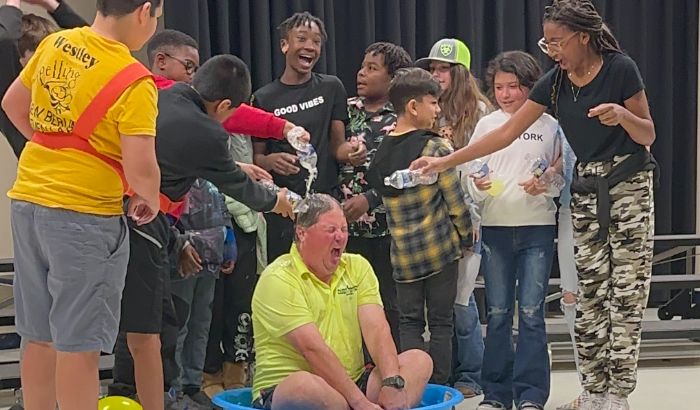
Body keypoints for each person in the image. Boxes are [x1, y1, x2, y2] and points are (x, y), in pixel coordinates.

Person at [412, 1, 656, 409]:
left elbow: (648, 134)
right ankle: (595, 391)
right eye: (547, 42)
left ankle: (617, 394)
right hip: (585, 189)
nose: (551, 50)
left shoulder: (620, 69)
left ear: (583, 36)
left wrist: (621, 115)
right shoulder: (555, 82)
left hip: (628, 185)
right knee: (591, 295)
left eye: (558, 41)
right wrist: (443, 160)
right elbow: (505, 133)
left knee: (625, 295)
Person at [1, 1, 164, 408]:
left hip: (28, 201)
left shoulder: (56, 44)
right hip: (84, 214)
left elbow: (13, 105)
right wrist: (149, 199)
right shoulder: (134, 80)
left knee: (38, 335)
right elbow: (142, 167)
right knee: (79, 343)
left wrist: (54, 148)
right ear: (145, 11)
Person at [118, 54, 294, 410]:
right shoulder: (207, 131)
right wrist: (278, 202)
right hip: (143, 218)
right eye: (231, 113)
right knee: (151, 325)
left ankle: (149, 393)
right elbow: (238, 187)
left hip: (134, 214)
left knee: (150, 320)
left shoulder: (165, 95)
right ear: (224, 104)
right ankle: (156, 400)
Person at [251, 193, 432, 410]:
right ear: (302, 233)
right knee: (303, 386)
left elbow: (377, 331)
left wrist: (392, 383)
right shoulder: (278, 277)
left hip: (353, 383)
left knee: (419, 361)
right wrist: (359, 403)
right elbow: (312, 349)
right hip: (290, 387)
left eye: (344, 229)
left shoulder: (357, 266)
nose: (340, 237)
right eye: (331, 230)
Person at [465, 51, 562, 410]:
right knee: (500, 312)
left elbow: (560, 176)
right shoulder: (487, 126)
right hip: (496, 229)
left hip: (537, 228)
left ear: (531, 87)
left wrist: (546, 184)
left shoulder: (549, 126)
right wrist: (479, 185)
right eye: (499, 87)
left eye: (514, 87)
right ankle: (496, 393)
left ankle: (532, 394)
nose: (506, 94)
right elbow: (471, 175)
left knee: (534, 313)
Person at [366, 68, 473, 385]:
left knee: (409, 323)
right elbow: (454, 201)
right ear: (413, 107)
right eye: (433, 102)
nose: (438, 110)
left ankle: (414, 389)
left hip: (403, 258)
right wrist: (466, 235)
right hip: (440, 252)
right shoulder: (436, 149)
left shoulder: (381, 152)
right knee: (441, 323)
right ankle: (439, 391)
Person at [252, 11, 365, 263]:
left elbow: (338, 147)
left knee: (328, 272)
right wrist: (270, 161)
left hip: (325, 201)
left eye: (316, 42)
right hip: (283, 208)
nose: (309, 47)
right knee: (287, 276)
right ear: (284, 45)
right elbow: (256, 158)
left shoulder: (331, 87)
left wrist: (354, 152)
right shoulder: (264, 97)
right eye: (301, 38)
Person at [415, 37, 491, 398]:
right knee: (441, 306)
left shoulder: (479, 112)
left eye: (443, 68)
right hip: (431, 218)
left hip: (468, 216)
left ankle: (472, 374)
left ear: (459, 72)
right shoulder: (427, 110)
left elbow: (482, 169)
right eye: (432, 68)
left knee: (462, 302)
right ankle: (445, 373)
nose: (436, 74)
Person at [340, 41, 412, 347]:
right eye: (362, 66)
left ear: (393, 78)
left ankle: (390, 366)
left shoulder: (403, 115)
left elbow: (408, 172)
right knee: (347, 302)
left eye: (372, 68)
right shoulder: (345, 110)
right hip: (345, 227)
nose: (361, 73)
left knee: (387, 302)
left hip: (388, 229)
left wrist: (370, 198)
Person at [0, 0, 86, 158]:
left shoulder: (66, 78)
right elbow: (4, 39)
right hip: (42, 177)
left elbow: (94, 44)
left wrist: (53, 5)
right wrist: (12, 3)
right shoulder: (9, 86)